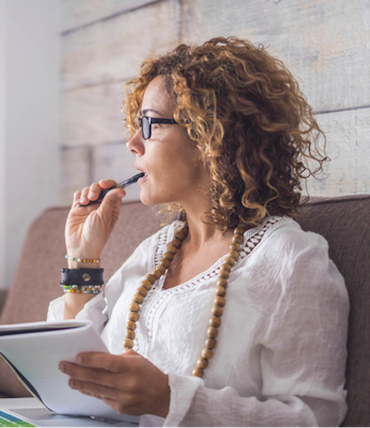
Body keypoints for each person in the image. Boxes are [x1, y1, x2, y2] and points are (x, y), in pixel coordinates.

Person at [48, 37, 348, 426]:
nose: (133, 143)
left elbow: (315, 418)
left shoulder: (291, 260)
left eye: (149, 124)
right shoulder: (156, 251)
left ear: (210, 136)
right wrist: (82, 257)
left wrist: (168, 398)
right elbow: (79, 371)